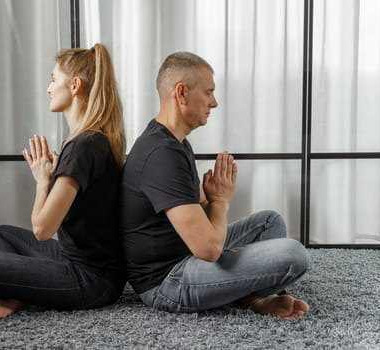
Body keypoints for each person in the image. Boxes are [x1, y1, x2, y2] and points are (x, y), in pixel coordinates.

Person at [120, 51, 310, 320]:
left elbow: (199, 212)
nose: (215, 102)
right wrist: (220, 202)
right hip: (166, 282)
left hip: (185, 253)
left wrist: (210, 200)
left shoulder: (176, 142)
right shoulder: (161, 155)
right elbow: (208, 249)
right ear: (181, 93)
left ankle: (247, 295)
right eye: (208, 92)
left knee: (270, 223)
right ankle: (249, 295)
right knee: (294, 255)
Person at [0, 43, 126, 320]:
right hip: (80, 261)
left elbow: (42, 230)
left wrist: (42, 180)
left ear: (74, 85)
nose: (49, 88)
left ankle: (17, 297)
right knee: (2, 235)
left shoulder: (83, 146)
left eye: (53, 80)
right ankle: (17, 295)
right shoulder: (90, 139)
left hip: (91, 281)